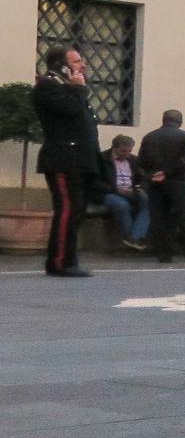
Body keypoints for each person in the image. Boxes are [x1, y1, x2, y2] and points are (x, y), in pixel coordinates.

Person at [31, 46, 101, 277]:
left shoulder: (68, 87)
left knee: (77, 211)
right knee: (67, 210)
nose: (83, 65)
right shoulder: (49, 86)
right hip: (64, 159)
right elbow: (69, 110)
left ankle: (66, 258)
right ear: (62, 65)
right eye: (77, 61)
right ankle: (60, 262)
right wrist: (78, 90)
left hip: (80, 160)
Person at [137, 109, 185, 265]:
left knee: (159, 219)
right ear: (180, 122)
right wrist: (167, 173)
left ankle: (164, 254)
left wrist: (152, 175)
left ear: (163, 120)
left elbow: (140, 162)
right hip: (179, 182)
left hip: (155, 184)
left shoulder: (149, 137)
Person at [97, 134, 153, 251]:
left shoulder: (132, 160)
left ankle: (133, 238)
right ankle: (134, 239)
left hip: (130, 191)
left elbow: (142, 178)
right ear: (115, 148)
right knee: (122, 205)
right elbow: (95, 182)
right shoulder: (102, 159)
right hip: (109, 193)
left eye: (129, 151)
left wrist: (137, 188)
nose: (126, 154)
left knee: (148, 202)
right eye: (123, 151)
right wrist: (116, 189)